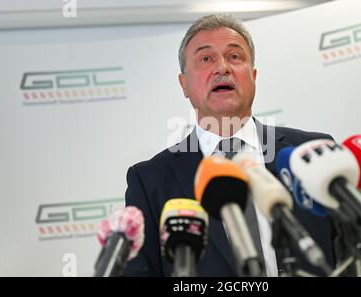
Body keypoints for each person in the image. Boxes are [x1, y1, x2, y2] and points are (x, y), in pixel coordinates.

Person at [124, 14, 336, 277]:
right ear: (184, 84)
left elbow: (356, 253)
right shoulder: (150, 181)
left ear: (253, 75)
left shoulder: (312, 152)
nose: (222, 67)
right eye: (205, 59)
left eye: (235, 57)